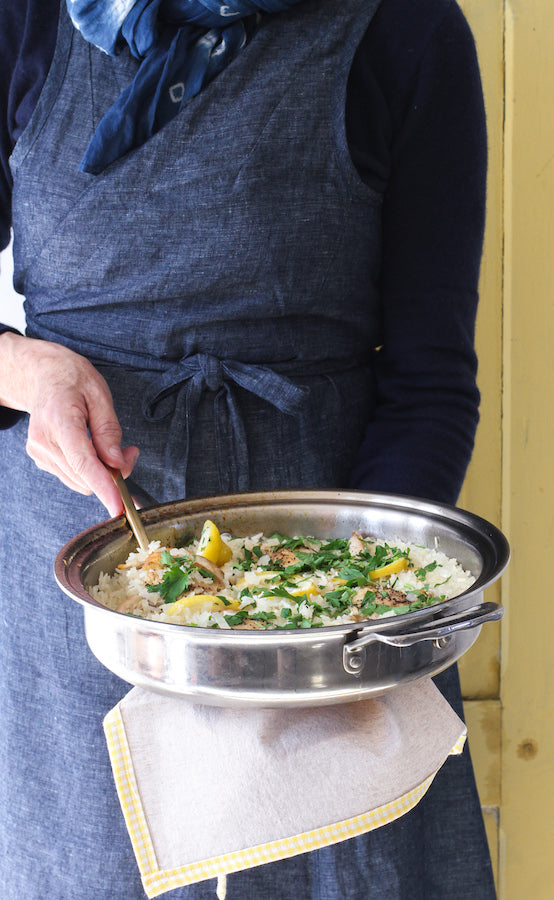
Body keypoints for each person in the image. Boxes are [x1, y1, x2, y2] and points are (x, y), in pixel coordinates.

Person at [0, 0, 492, 897]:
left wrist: (359, 611)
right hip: (77, 595)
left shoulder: (406, 30)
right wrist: (26, 373)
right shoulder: (24, 21)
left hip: (331, 606)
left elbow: (429, 385)